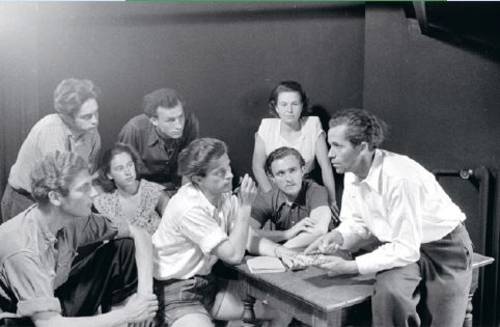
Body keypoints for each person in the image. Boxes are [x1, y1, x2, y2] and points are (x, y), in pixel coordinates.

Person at [305, 108, 473, 327]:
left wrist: (351, 266)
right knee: (390, 294)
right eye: (330, 145)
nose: (329, 154)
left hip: (445, 249)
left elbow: (406, 248)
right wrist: (337, 236)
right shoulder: (351, 171)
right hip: (401, 246)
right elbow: (357, 222)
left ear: (362, 147)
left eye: (337, 146)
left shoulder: (400, 178)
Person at [0, 151, 158, 327]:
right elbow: (49, 325)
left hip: (52, 298)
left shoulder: (75, 218)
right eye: (83, 188)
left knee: (125, 247)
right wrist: (127, 315)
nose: (93, 193)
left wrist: (145, 295)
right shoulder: (23, 247)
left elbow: (138, 232)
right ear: (55, 197)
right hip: (22, 318)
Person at [152, 138, 294, 327]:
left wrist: (281, 252)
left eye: (228, 167)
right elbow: (234, 255)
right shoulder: (189, 207)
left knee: (281, 312)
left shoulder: (223, 194)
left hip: (207, 285)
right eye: (220, 172)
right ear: (198, 179)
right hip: (176, 291)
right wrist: (245, 206)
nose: (230, 175)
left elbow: (247, 237)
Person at [1, 78, 102, 222]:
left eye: (96, 113)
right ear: (68, 117)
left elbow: (87, 174)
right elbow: (59, 185)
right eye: (87, 116)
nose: (95, 120)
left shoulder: (92, 133)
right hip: (24, 201)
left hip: (59, 200)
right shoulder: (51, 131)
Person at [252, 81, 337, 211]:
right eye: (284, 104)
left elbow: (326, 167)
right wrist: (272, 197)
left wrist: (332, 199)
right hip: (272, 187)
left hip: (304, 188)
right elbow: (257, 167)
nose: (289, 110)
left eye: (295, 104)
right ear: (276, 107)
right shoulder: (267, 127)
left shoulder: (312, 124)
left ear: (302, 105)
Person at [118, 88, 199, 192]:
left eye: (181, 117)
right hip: (142, 189)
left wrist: (184, 198)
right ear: (154, 120)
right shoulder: (134, 129)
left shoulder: (190, 123)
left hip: (176, 186)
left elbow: (189, 166)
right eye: (170, 120)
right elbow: (123, 174)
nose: (179, 125)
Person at [250, 146, 332, 249]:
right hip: (288, 256)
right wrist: (286, 234)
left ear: (302, 170)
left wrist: (281, 250)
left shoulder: (316, 191)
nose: (288, 179)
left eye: (292, 170)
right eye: (281, 173)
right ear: (272, 178)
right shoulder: (268, 198)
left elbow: (318, 230)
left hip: (322, 252)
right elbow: (246, 233)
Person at [94, 143, 169, 235]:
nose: (127, 172)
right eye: (120, 168)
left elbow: (173, 223)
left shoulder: (153, 191)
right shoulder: (105, 202)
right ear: (109, 175)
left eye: (129, 165)